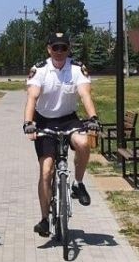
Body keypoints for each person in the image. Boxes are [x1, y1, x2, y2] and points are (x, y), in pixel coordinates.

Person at [24, 31, 99, 237]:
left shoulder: (76, 69)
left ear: (68, 49)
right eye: (55, 47)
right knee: (46, 171)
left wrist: (93, 118)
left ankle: (78, 184)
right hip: (44, 120)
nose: (59, 51)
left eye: (63, 48)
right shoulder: (40, 69)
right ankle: (44, 219)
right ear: (49, 49)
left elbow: (85, 94)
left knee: (83, 144)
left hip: (68, 118)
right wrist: (29, 123)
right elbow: (32, 97)